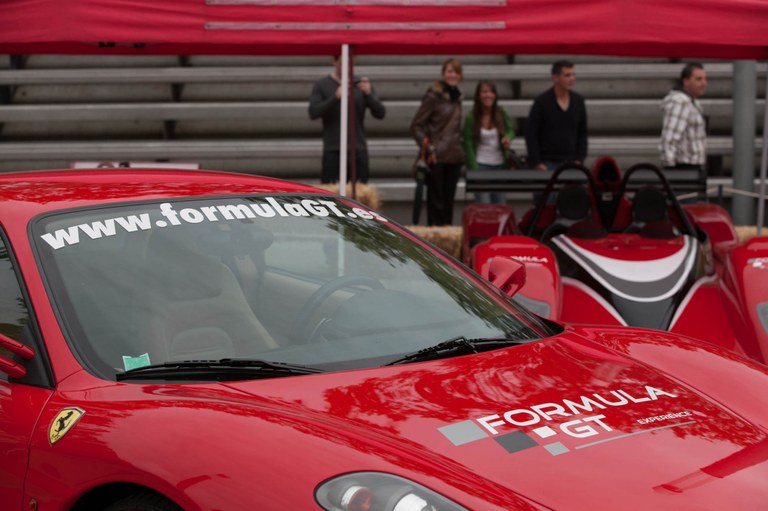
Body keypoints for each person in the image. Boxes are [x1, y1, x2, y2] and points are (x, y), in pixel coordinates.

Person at [308, 55, 386, 184]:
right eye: (342, 62)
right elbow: (313, 112)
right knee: (331, 192)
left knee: (360, 192)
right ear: (334, 61)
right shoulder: (322, 85)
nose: (346, 66)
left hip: (357, 148)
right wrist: (335, 97)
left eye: (350, 63)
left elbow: (380, 113)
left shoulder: (360, 84)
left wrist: (369, 95)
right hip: (333, 149)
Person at [410, 58, 466, 226]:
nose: (453, 75)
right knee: (436, 203)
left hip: (454, 156)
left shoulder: (457, 97)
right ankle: (436, 240)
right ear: (443, 74)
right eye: (449, 71)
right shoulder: (433, 96)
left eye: (456, 72)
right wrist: (429, 147)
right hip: (437, 156)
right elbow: (416, 125)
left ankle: (447, 239)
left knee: (449, 202)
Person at [525, 60, 588, 171]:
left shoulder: (578, 101)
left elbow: (582, 133)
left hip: (572, 163)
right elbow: (531, 133)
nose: (571, 79)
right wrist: (537, 162)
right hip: (547, 163)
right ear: (555, 77)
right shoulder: (542, 102)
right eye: (567, 75)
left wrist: (579, 159)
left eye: (573, 75)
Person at [463, 80, 516, 204]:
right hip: (480, 165)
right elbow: (468, 144)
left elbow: (511, 131)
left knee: (500, 204)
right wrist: (474, 169)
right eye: (484, 92)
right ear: (478, 95)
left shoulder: (502, 112)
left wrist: (507, 137)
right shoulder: (471, 117)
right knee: (484, 206)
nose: (488, 95)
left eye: (491, 92)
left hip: (500, 165)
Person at [659, 62, 707, 170]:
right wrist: (672, 172)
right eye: (699, 79)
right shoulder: (681, 102)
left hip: (691, 167)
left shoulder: (692, 102)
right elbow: (669, 140)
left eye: (705, 79)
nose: (704, 83)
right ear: (686, 81)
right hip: (684, 168)